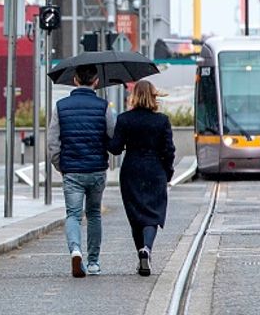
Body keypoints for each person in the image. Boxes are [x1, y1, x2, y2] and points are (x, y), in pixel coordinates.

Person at [47, 64, 114, 278]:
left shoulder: (60, 106)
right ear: (96, 81)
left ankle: (75, 250)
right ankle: (93, 262)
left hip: (72, 170)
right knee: (94, 214)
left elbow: (52, 143)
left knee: (73, 215)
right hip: (96, 170)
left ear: (75, 80)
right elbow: (112, 137)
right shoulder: (103, 106)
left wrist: (61, 166)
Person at [108, 80, 175, 277]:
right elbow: (169, 150)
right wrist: (168, 172)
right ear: (154, 96)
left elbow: (115, 148)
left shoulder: (124, 119)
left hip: (132, 170)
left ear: (134, 96)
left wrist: (106, 137)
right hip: (155, 170)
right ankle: (146, 248)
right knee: (152, 214)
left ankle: (141, 254)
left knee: (136, 214)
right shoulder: (162, 120)